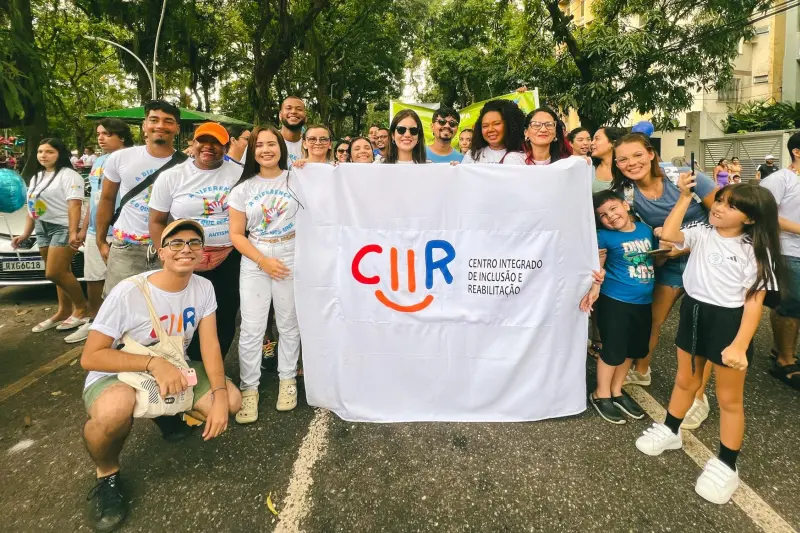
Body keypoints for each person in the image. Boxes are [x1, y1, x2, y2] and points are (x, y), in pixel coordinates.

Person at [80, 218, 242, 532]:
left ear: (202, 252)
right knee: (114, 412)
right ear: (161, 252)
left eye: (194, 243)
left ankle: (164, 411)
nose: (186, 249)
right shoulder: (129, 291)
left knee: (232, 401)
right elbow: (91, 356)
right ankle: (107, 474)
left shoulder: (203, 287)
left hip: (172, 365)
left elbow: (210, 346)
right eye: (176, 243)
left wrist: (221, 396)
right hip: (120, 371)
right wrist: (154, 364)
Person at [634, 179, 783, 505]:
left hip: (729, 322)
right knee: (685, 380)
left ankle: (727, 464)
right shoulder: (702, 232)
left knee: (729, 399)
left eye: (731, 206)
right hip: (693, 311)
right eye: (720, 200)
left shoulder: (756, 250)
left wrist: (740, 345)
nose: (719, 207)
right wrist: (684, 197)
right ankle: (671, 430)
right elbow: (669, 235)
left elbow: (754, 303)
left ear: (751, 218)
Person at [612, 133, 719, 430]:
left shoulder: (685, 177)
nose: (631, 163)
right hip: (669, 262)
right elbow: (637, 231)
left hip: (706, 260)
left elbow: (725, 217)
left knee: (700, 330)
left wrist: (687, 245)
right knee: (651, 320)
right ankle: (641, 370)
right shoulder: (626, 194)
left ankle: (698, 398)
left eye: (637, 155)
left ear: (651, 154)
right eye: (623, 159)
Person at [148, 122, 242, 362]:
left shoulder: (241, 174)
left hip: (228, 256)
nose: (208, 147)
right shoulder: (172, 176)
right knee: (182, 314)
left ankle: (211, 369)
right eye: (203, 141)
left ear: (226, 147)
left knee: (224, 314)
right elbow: (157, 221)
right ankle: (180, 365)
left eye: (216, 142)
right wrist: (166, 255)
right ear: (193, 143)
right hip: (185, 256)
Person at [228, 125, 302, 421]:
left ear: (281, 148)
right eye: (259, 145)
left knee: (289, 323)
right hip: (256, 257)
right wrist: (262, 261)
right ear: (252, 151)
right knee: (252, 327)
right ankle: (249, 388)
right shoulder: (242, 188)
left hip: (291, 254)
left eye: (272, 144)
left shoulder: (297, 179)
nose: (266, 150)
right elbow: (237, 234)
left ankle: (287, 379)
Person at [581, 190, 666, 424]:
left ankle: (617, 390)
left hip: (643, 302)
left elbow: (657, 260)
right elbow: (597, 266)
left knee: (632, 349)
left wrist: (665, 242)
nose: (610, 216)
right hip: (615, 301)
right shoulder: (603, 237)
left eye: (613, 208)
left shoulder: (645, 230)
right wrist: (595, 286)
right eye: (603, 215)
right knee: (613, 349)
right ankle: (601, 393)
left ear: (625, 205)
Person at [95, 100, 183, 297]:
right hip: (126, 247)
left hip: (170, 248)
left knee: (165, 306)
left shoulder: (187, 165)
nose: (160, 125)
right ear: (144, 125)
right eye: (154, 120)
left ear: (177, 128)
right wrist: (100, 241)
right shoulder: (120, 158)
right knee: (120, 305)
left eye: (168, 121)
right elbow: (107, 199)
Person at [11, 138, 89, 334]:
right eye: (40, 151)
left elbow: (75, 205)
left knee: (54, 272)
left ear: (60, 154)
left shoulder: (70, 176)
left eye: (49, 152)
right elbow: (32, 207)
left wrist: (73, 232)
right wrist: (26, 233)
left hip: (63, 226)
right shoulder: (37, 177)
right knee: (61, 273)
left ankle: (82, 308)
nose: (43, 155)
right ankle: (63, 311)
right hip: (42, 226)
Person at [67, 120, 134, 344]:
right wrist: (84, 228)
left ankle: (125, 328)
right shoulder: (98, 161)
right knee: (94, 278)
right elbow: (95, 199)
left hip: (122, 230)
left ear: (122, 136)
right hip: (96, 230)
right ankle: (95, 322)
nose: (101, 138)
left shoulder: (132, 159)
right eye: (99, 134)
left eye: (107, 134)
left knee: (124, 282)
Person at [760, 132, 800, 390]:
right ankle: (785, 360)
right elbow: (765, 214)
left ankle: (780, 349)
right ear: (797, 152)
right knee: (792, 304)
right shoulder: (779, 179)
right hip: (788, 250)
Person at [462, 100, 526, 164]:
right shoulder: (472, 155)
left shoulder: (524, 156)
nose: (490, 130)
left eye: (496, 124)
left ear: (510, 125)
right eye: (485, 126)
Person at [591, 127, 626, 194]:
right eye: (592, 139)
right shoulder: (589, 167)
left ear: (613, 143)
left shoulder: (626, 168)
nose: (591, 143)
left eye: (597, 139)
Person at [278, 96, 307, 167]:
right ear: (280, 115)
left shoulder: (311, 145)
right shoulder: (267, 141)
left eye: (299, 109)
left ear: (306, 118)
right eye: (288, 108)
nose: (293, 112)